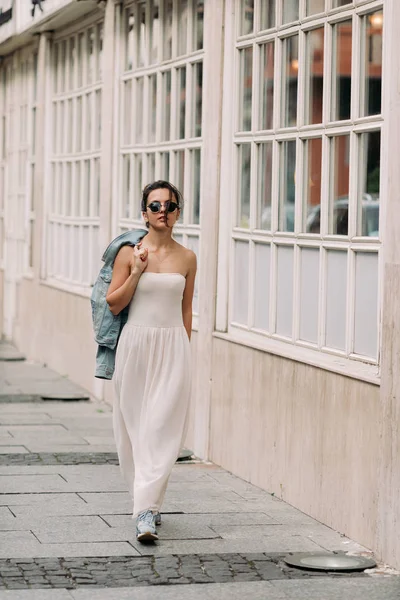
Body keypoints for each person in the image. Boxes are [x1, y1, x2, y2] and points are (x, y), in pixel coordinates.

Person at [106, 180, 197, 542]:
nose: (163, 212)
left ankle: (145, 511)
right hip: (136, 346)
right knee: (134, 431)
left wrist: (185, 351)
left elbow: (186, 309)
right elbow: (114, 303)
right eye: (155, 206)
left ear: (178, 212)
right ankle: (147, 504)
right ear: (144, 213)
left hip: (173, 347)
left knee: (162, 430)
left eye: (170, 206)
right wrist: (138, 272)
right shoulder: (129, 253)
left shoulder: (188, 257)